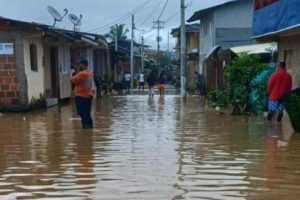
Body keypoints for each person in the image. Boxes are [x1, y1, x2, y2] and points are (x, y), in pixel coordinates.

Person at [70, 59, 94, 129]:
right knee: (87, 113)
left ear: (82, 65)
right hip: (88, 95)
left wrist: (77, 71)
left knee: (82, 113)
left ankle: (86, 128)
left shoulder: (82, 73)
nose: (78, 66)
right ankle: (89, 128)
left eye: (79, 64)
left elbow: (71, 80)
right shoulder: (90, 73)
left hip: (81, 96)